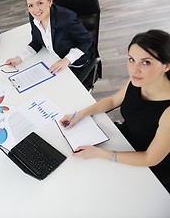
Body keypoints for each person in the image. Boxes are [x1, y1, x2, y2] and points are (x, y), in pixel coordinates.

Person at [60, 29, 170, 192]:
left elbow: (150, 158)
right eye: (131, 60)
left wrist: (101, 154)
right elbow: (113, 100)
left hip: (147, 167)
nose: (134, 69)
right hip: (124, 141)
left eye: (146, 62)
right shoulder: (138, 80)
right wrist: (79, 114)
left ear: (166, 66)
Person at [5, 0, 93, 83]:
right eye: (31, 5)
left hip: (75, 65)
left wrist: (66, 60)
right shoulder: (34, 18)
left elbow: (86, 41)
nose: (35, 10)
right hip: (54, 60)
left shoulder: (66, 18)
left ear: (49, 2)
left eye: (40, 3)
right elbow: (36, 42)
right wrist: (19, 58)